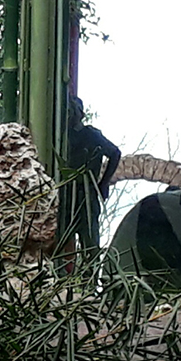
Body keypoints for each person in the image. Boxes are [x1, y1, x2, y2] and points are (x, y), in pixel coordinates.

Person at [60, 96, 120, 259]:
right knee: (59, 240)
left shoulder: (91, 135)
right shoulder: (61, 135)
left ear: (81, 114)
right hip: (64, 195)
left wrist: (103, 183)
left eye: (73, 111)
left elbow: (115, 153)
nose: (69, 115)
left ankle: (90, 280)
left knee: (90, 244)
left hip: (87, 195)